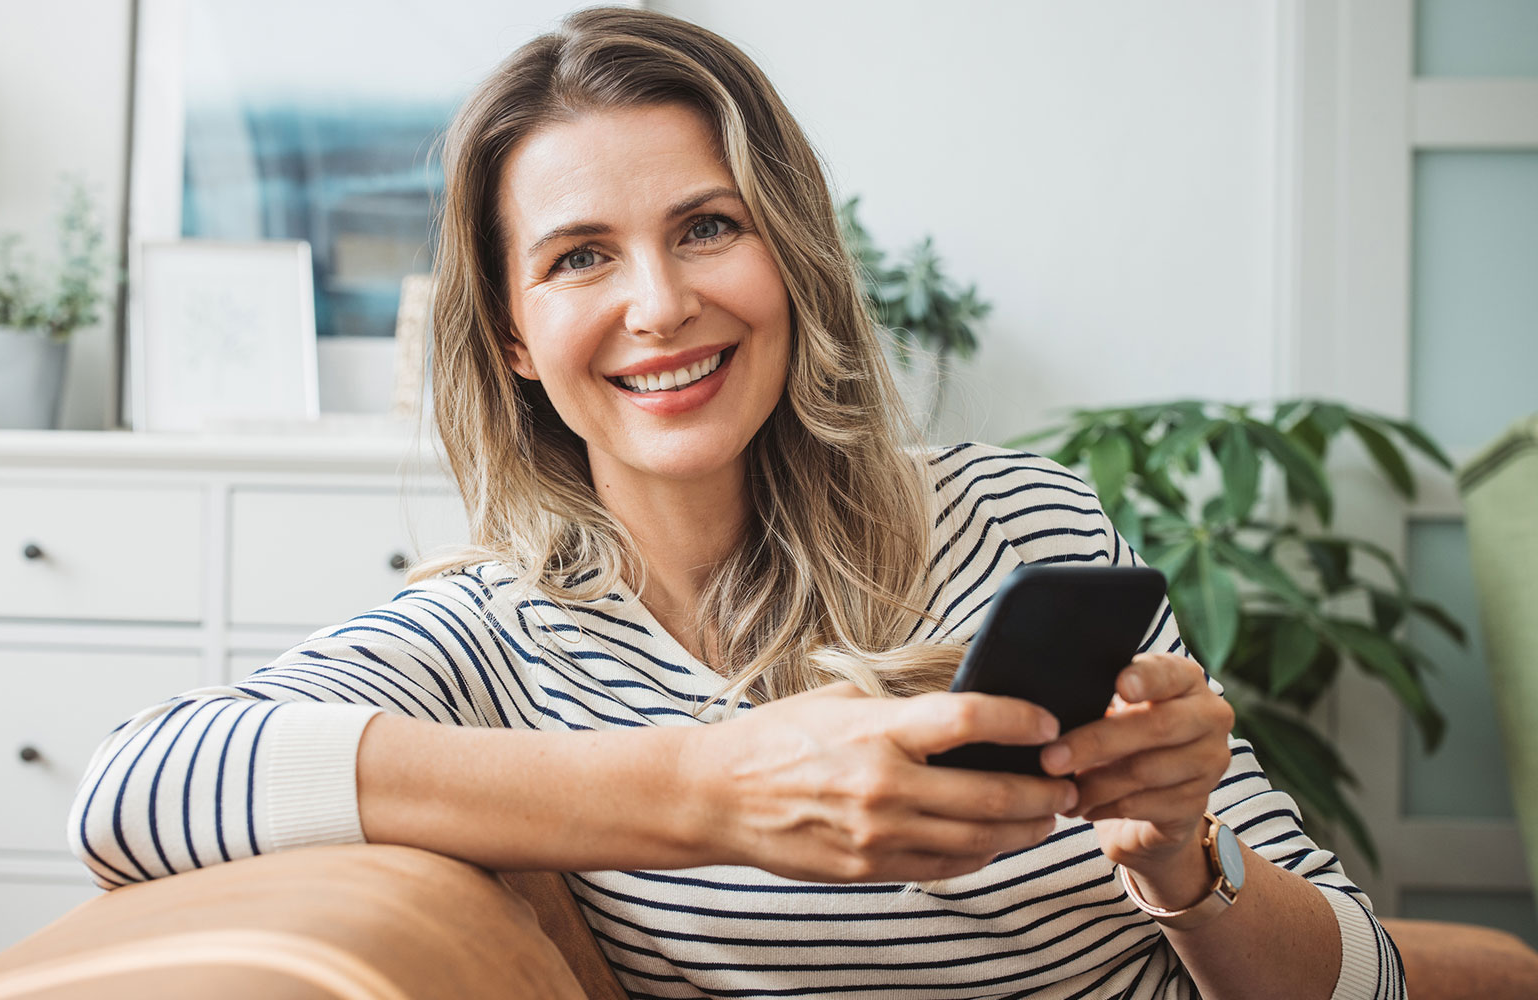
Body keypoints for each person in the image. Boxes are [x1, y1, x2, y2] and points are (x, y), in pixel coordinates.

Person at [68, 8, 1402, 998]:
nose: (662, 304)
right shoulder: (497, 641)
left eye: (709, 226)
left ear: (792, 254)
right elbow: (135, 789)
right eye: (581, 256)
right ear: (517, 338)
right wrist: (713, 789)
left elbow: (1369, 980)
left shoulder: (1028, 531)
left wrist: (1180, 856)